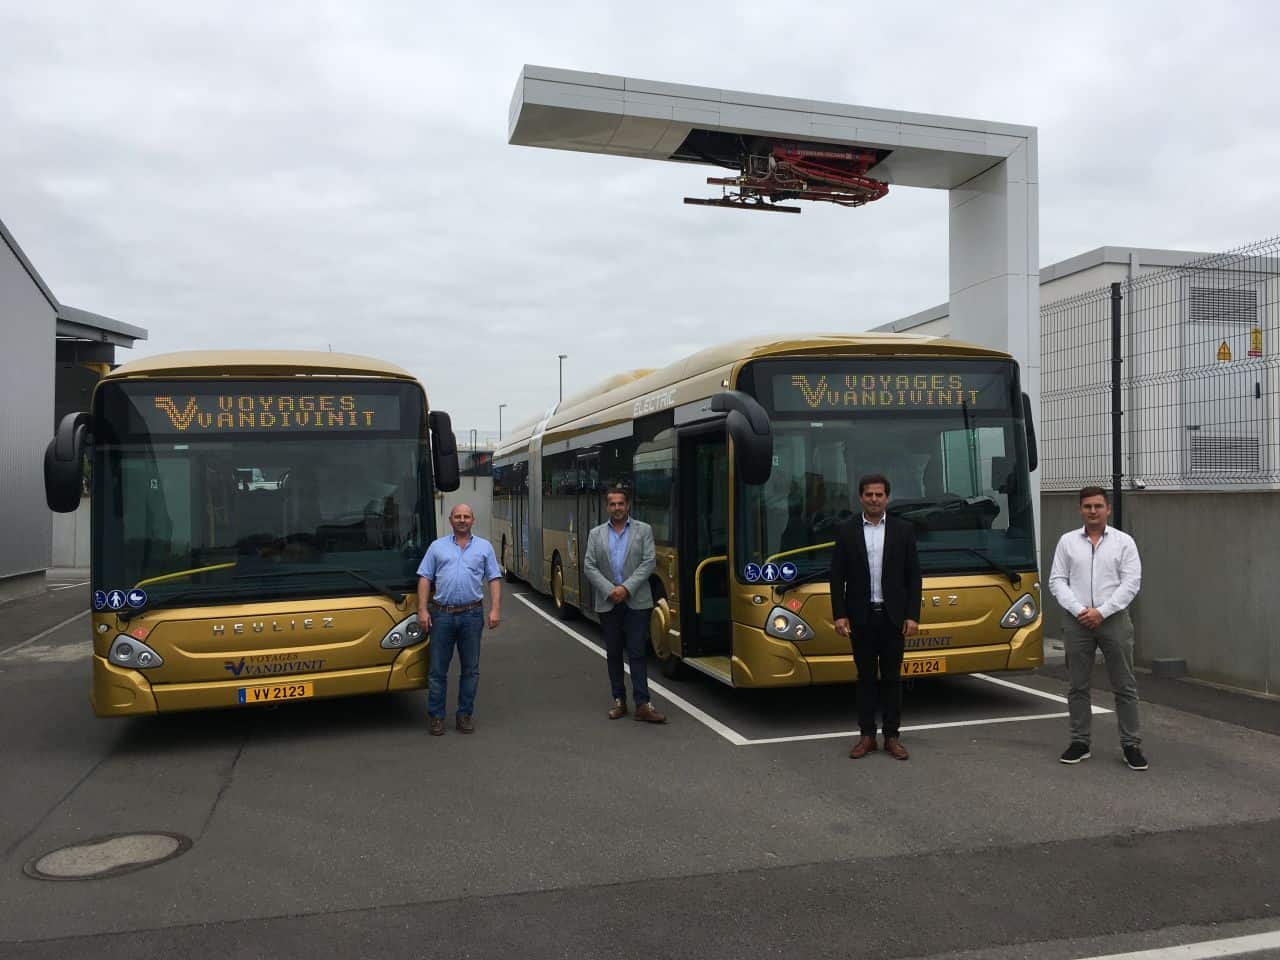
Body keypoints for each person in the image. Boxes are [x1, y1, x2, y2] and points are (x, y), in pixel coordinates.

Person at [1049, 486, 1146, 770]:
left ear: (1108, 509)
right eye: (1088, 506)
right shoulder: (1067, 542)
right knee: (1077, 685)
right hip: (1077, 621)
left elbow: (1131, 583)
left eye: (1098, 506)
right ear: (1080, 509)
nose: (1093, 511)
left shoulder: (1124, 542)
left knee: (1125, 685)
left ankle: (1131, 745)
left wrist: (1102, 612)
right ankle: (1080, 742)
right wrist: (1079, 610)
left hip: (1113, 620)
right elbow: (1057, 580)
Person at [829, 474, 921, 761]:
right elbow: (837, 577)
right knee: (865, 679)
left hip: (893, 618)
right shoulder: (846, 530)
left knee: (892, 679)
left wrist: (912, 616)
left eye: (879, 495)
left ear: (887, 498)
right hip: (861, 617)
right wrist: (840, 615)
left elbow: (913, 577)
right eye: (869, 494)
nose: (874, 499)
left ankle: (892, 737)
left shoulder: (903, 530)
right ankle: (866, 736)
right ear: (860, 497)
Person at [416, 503, 501, 736]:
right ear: (451, 520)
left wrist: (495, 609)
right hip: (441, 615)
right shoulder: (437, 547)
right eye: (458, 516)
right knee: (437, 670)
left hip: (471, 615)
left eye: (466, 516)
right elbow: (424, 578)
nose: (462, 520)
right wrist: (422, 610)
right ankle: (436, 717)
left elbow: (494, 578)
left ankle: (464, 715)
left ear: (473, 520)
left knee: (470, 669)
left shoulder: (484, 547)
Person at [583, 485, 666, 723]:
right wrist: (610, 590)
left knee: (638, 652)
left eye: (621, 503)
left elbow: (649, 562)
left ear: (628, 505)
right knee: (614, 653)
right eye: (612, 504)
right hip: (608, 602)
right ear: (607, 507)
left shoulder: (644, 530)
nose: (617, 508)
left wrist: (626, 588)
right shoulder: (596, 534)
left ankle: (643, 704)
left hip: (636, 601)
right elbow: (589, 565)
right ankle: (619, 700)